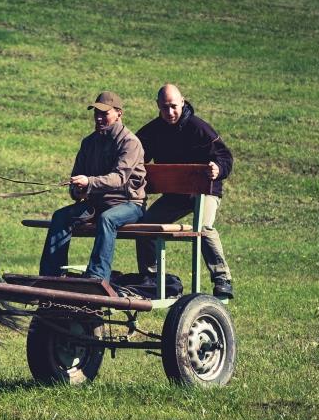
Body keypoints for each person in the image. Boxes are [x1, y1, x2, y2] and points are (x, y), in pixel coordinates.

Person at [135, 83, 234, 298]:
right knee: (145, 227)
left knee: (203, 228)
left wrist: (218, 169)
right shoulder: (153, 130)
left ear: (182, 102)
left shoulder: (199, 128)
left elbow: (225, 157)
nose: (169, 112)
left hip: (205, 190)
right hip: (176, 195)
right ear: (157, 106)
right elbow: (134, 153)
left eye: (173, 106)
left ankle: (222, 278)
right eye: (164, 108)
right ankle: (151, 279)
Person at [39, 91, 146, 283]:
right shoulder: (89, 142)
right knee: (60, 216)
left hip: (129, 205)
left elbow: (119, 178)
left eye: (104, 113)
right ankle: (50, 276)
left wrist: (89, 183)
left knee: (107, 219)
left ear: (119, 113)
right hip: (96, 204)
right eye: (96, 113)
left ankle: (97, 278)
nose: (98, 117)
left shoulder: (130, 142)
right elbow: (77, 177)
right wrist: (76, 190)